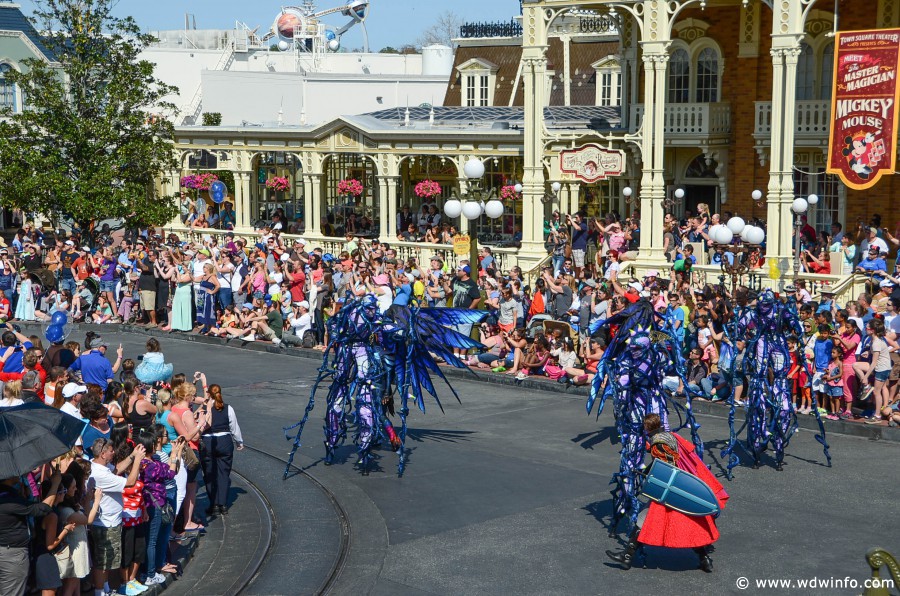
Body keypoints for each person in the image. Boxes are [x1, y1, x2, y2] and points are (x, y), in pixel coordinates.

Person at [606, 414, 727, 573]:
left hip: (669, 489)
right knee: (690, 524)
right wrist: (646, 471)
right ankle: (705, 560)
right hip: (679, 488)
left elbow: (666, 468)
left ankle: (627, 557)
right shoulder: (670, 436)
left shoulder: (658, 443)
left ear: (648, 427)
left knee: (644, 518)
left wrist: (649, 476)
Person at [88, 437, 146, 596]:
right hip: (105, 524)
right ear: (102, 453)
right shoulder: (100, 474)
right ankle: (100, 592)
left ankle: (106, 589)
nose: (114, 453)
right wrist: (137, 461)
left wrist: (132, 456)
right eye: (111, 450)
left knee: (107, 560)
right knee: (102, 562)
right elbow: (130, 482)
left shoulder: (103, 467)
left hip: (111, 522)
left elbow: (116, 469)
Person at [0, 469, 62, 596]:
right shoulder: (8, 501)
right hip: (12, 555)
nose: (19, 473)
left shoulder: (7, 495)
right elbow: (43, 509)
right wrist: (56, 484)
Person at [199, 385, 243, 516]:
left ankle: (213, 504)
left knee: (209, 474)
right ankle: (223, 504)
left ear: (209, 394)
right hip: (224, 442)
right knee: (223, 473)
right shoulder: (228, 408)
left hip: (207, 443)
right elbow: (234, 427)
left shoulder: (204, 408)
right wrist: (239, 441)